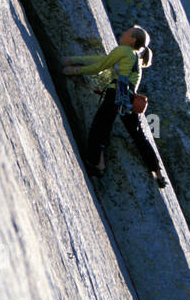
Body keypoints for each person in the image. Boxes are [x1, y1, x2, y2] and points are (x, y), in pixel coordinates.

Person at [62, 26, 168, 188]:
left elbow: (100, 66)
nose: (123, 33)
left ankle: (98, 164)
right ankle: (158, 173)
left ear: (132, 39)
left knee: (100, 128)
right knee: (138, 136)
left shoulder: (124, 50)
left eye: (127, 32)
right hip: (129, 99)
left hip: (115, 94)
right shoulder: (135, 58)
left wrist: (75, 69)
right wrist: (75, 59)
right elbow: (102, 61)